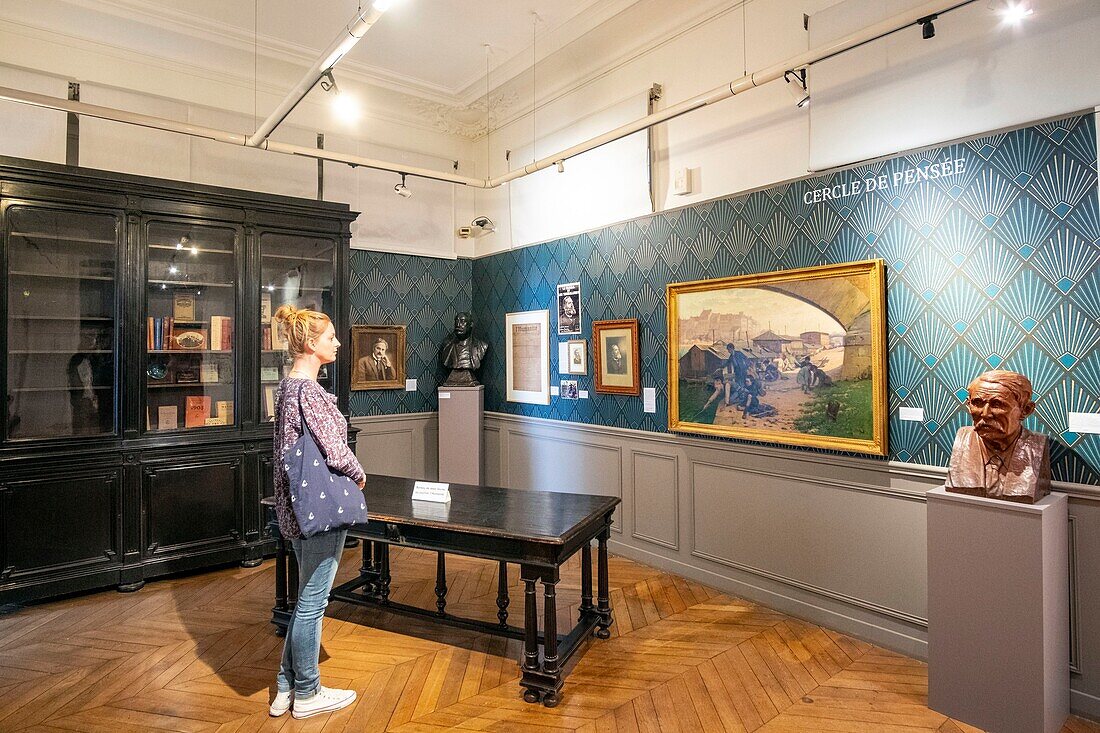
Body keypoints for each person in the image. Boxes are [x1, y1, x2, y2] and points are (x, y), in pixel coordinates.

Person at [270, 304, 366, 719]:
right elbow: (335, 450)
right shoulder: (309, 392)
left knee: (303, 599)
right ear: (311, 344)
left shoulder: (286, 388)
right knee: (312, 602)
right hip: (320, 509)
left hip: (295, 507)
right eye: (330, 338)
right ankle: (308, 693)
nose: (338, 343)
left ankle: (286, 685)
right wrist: (359, 475)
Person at [946, 369, 1051, 503]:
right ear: (968, 404)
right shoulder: (963, 440)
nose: (985, 414)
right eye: (977, 403)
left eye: (997, 404)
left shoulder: (1036, 446)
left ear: (1026, 410)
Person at [439, 312, 488, 386]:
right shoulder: (447, 347)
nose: (458, 325)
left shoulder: (481, 346)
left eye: (462, 321)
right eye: (456, 321)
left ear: (471, 324)